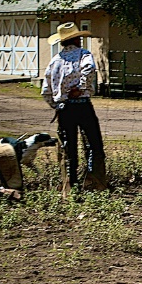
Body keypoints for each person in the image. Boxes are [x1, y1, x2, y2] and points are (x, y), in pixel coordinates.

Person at [42, 22, 108, 194]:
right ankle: (95, 182)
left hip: (64, 109)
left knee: (68, 147)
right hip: (83, 106)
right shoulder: (83, 54)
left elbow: (45, 90)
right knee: (93, 144)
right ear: (77, 39)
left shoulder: (54, 61)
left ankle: (70, 185)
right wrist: (81, 88)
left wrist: (57, 104)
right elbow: (90, 69)